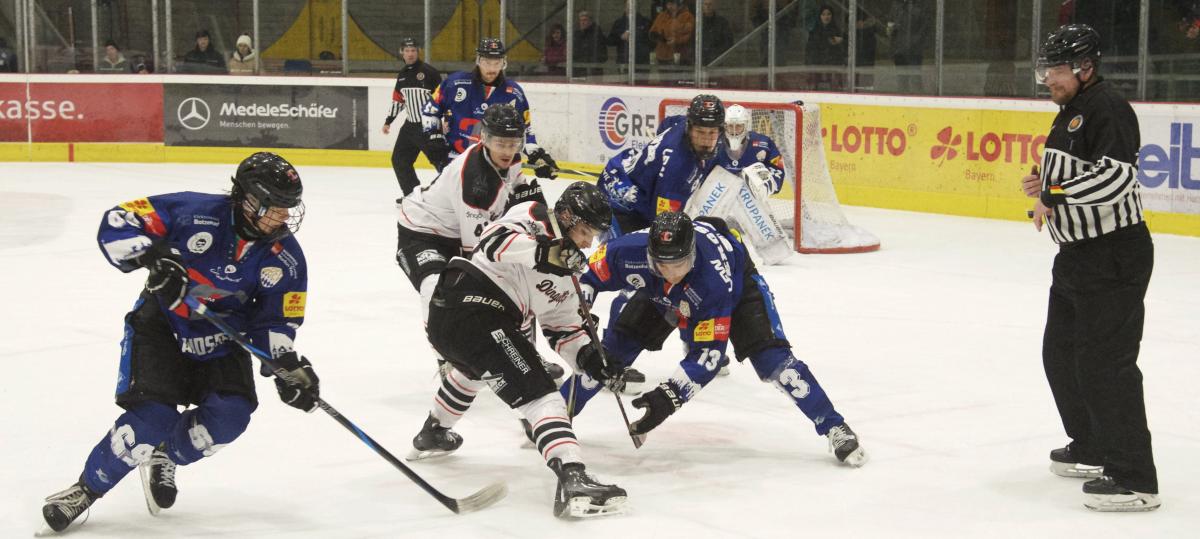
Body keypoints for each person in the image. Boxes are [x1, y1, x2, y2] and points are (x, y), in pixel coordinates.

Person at [39, 152, 320, 533]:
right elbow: (118, 222)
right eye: (278, 207)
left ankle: (165, 454)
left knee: (231, 416)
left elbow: (277, 319)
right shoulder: (192, 211)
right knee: (152, 419)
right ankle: (85, 491)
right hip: (162, 328)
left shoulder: (286, 258)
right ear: (250, 199)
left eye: (290, 208)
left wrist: (286, 363)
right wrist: (155, 257)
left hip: (222, 339)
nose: (285, 217)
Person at [564, 212, 867, 468]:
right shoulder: (626, 251)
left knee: (775, 362)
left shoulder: (713, 281)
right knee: (609, 354)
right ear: (649, 255)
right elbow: (586, 278)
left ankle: (834, 425)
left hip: (738, 287)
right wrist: (581, 309)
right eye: (662, 264)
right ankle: (559, 411)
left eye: (678, 263)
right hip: (659, 295)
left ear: (692, 254)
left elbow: (707, 356)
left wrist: (667, 399)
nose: (670, 272)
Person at [408, 181, 628, 519]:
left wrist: (591, 360)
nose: (587, 242)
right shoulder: (533, 216)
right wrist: (546, 252)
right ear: (566, 218)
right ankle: (573, 476)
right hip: (471, 304)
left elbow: (564, 329)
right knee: (543, 396)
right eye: (584, 231)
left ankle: (434, 431)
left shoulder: (569, 277)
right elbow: (494, 241)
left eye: (594, 235)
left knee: (472, 370)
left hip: (455, 325)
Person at [1021, 24, 1159, 513]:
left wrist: (1054, 194)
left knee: (1107, 365)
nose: (1047, 80)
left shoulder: (1109, 108)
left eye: (1055, 70)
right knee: (1059, 355)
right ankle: (1094, 444)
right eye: (1045, 70)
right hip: (1076, 257)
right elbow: (1076, 172)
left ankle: (1135, 476)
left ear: (1085, 67)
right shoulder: (1070, 110)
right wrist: (1043, 184)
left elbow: (1117, 179)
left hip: (1113, 255)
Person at [396, 104, 561, 379]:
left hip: (459, 230)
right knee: (437, 289)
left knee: (517, 284)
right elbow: (480, 252)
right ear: (484, 138)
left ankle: (527, 354)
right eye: (500, 143)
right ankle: (448, 359)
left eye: (513, 143)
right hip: (422, 232)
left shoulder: (510, 158)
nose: (508, 151)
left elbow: (518, 185)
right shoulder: (475, 182)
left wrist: (534, 189)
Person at [421, 38, 558, 178]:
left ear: (504, 63)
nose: (492, 69)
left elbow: (525, 131)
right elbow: (430, 111)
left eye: (497, 63)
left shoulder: (514, 93)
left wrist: (537, 156)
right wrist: (434, 137)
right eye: (487, 62)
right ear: (478, 60)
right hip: (454, 163)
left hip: (494, 167)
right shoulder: (454, 84)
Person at [598, 94, 723, 237]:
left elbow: (667, 123)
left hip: (634, 179)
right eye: (700, 132)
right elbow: (662, 224)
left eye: (712, 132)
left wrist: (655, 156)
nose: (706, 141)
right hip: (620, 197)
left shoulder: (684, 124)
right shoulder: (677, 169)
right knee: (630, 253)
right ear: (690, 128)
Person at [381, 37, 444, 197]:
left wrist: (445, 120)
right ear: (401, 52)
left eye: (413, 50)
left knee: (441, 163)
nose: (410, 54)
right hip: (409, 127)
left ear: (418, 52)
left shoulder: (430, 72)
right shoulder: (402, 75)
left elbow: (444, 98)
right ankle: (411, 194)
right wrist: (389, 121)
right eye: (407, 51)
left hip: (428, 126)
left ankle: (451, 195)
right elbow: (399, 101)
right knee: (399, 160)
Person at [888, 0, 929, 92]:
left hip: (914, 50)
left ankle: (919, 101)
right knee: (901, 79)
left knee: (915, 78)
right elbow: (890, 25)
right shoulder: (896, 4)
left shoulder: (920, 4)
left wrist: (914, 43)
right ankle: (902, 100)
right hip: (899, 50)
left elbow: (924, 29)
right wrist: (893, 46)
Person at [805, 5, 846, 90]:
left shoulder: (837, 31)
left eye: (828, 14)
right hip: (817, 63)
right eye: (823, 14)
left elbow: (841, 50)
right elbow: (810, 49)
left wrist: (840, 42)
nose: (826, 17)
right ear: (819, 16)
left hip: (832, 64)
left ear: (832, 16)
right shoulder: (814, 32)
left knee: (834, 86)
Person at [649, 0, 695, 65]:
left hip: (681, 57)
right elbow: (652, 33)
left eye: (672, 3)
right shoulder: (662, 15)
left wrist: (677, 40)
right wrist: (662, 39)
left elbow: (689, 35)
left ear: (679, 4)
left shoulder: (688, 16)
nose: (670, 6)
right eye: (668, 3)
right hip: (662, 56)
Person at [574, 10, 608, 76]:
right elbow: (574, 52)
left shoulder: (597, 34)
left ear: (590, 21)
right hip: (579, 70)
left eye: (585, 20)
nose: (582, 22)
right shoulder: (577, 34)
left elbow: (603, 55)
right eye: (581, 20)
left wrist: (592, 64)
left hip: (594, 71)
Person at [700, 0, 734, 66]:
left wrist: (717, 54)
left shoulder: (722, 22)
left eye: (710, 4)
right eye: (705, 4)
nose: (707, 6)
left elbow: (728, 41)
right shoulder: (697, 22)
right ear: (702, 6)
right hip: (700, 60)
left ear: (714, 6)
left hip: (716, 60)